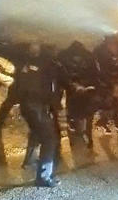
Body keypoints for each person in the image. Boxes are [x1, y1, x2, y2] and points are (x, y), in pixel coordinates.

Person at [13, 42, 61, 187]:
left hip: (29, 107)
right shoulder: (46, 68)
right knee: (49, 139)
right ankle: (44, 177)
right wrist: (56, 106)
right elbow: (47, 91)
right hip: (35, 107)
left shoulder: (26, 65)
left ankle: (29, 162)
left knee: (36, 132)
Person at [58, 40, 102, 148]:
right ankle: (77, 135)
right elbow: (62, 75)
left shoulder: (86, 57)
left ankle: (85, 136)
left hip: (83, 92)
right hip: (75, 92)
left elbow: (95, 74)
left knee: (84, 116)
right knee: (77, 116)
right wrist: (74, 86)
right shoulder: (84, 56)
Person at [94, 35, 118, 135]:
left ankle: (115, 123)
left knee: (114, 103)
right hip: (104, 82)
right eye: (111, 45)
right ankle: (105, 123)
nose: (113, 47)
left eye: (114, 44)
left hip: (116, 80)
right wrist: (110, 81)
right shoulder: (99, 52)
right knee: (107, 103)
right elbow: (100, 69)